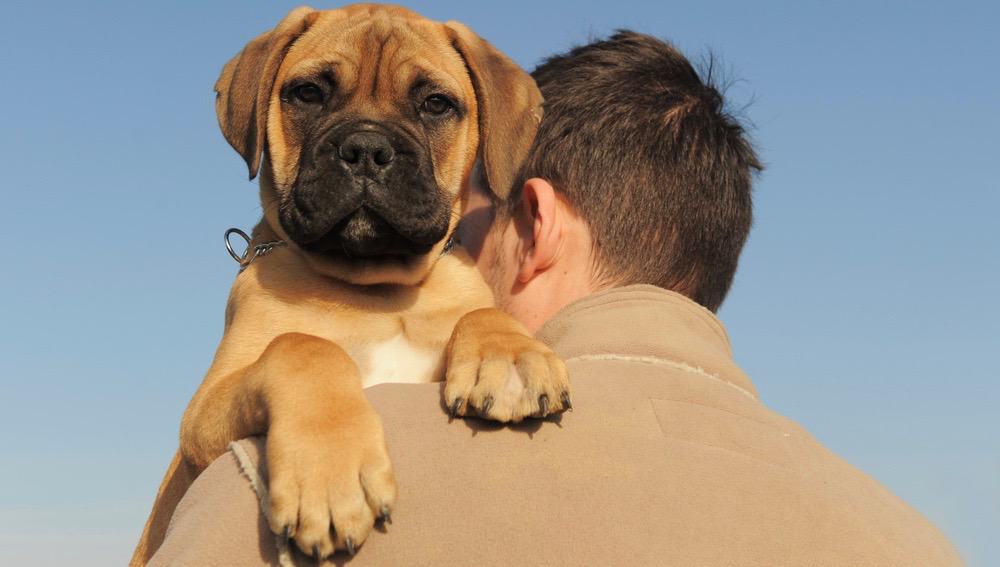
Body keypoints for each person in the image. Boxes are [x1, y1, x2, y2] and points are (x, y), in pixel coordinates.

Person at [148, 31, 961, 566]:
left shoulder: (256, 496)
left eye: (466, 235)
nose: (365, 145)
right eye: (312, 96)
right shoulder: (919, 539)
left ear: (532, 220)